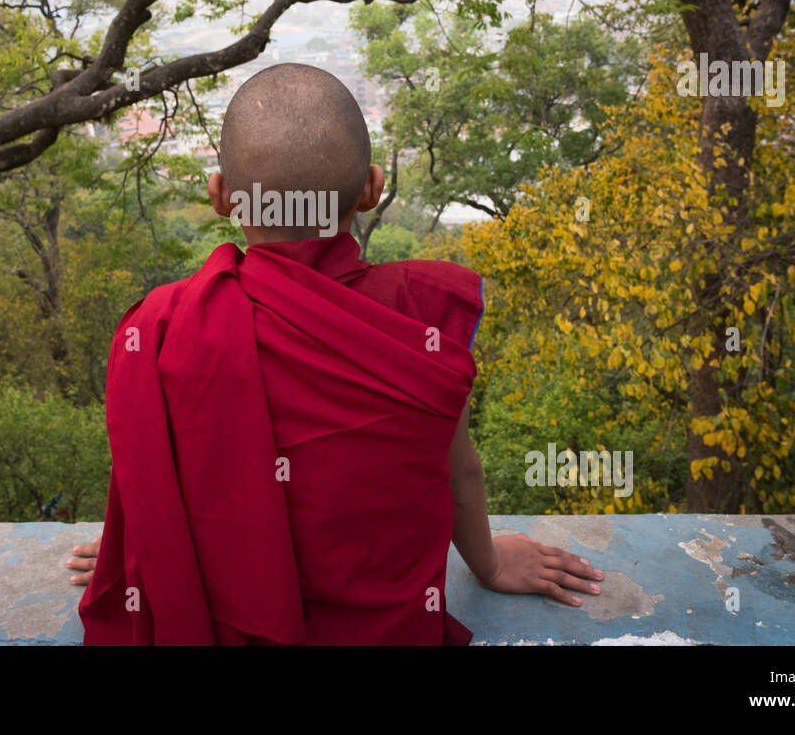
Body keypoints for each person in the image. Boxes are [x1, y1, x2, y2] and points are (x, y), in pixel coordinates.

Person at [71, 63, 603, 644]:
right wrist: (491, 564)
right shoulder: (421, 313)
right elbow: (460, 470)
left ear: (221, 196)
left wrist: (151, 538)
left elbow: (166, 468)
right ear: (372, 190)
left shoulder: (166, 326)